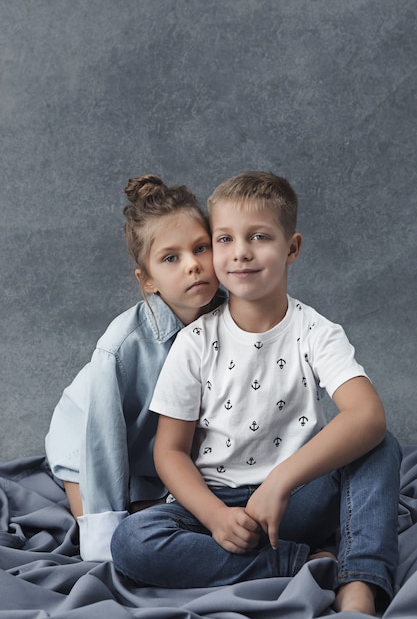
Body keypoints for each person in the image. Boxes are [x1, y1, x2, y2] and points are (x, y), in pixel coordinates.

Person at [111, 171, 401, 614]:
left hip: (297, 497)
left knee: (380, 446)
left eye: (259, 237)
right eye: (224, 239)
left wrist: (282, 481)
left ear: (292, 248)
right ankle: (297, 562)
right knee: (132, 541)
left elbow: (367, 415)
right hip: (217, 502)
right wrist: (214, 516)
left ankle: (359, 580)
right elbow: (169, 452)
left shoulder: (315, 332)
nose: (241, 252)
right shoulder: (196, 342)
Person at [45, 174, 222, 561]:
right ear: (148, 281)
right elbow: (103, 440)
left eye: (201, 248)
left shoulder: (234, 318)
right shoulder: (119, 349)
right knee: (116, 537)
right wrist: (103, 524)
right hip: (87, 438)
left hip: (166, 455)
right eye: (171, 258)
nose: (193, 265)